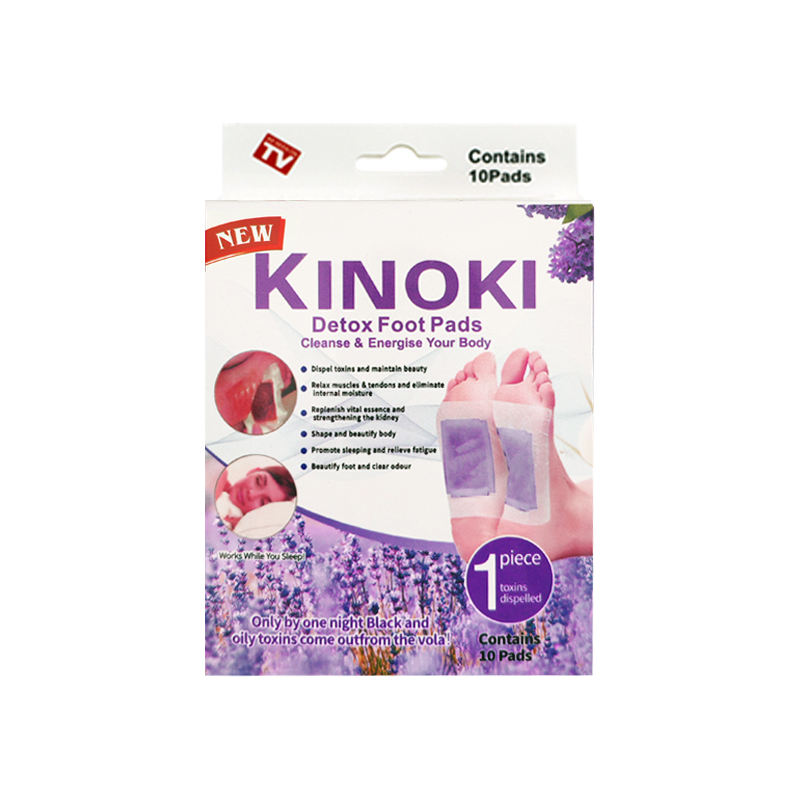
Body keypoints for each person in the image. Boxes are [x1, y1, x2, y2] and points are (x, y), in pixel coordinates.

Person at [215, 465, 297, 531]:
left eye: (263, 502)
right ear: (253, 471)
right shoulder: (218, 474)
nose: (252, 494)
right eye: (258, 481)